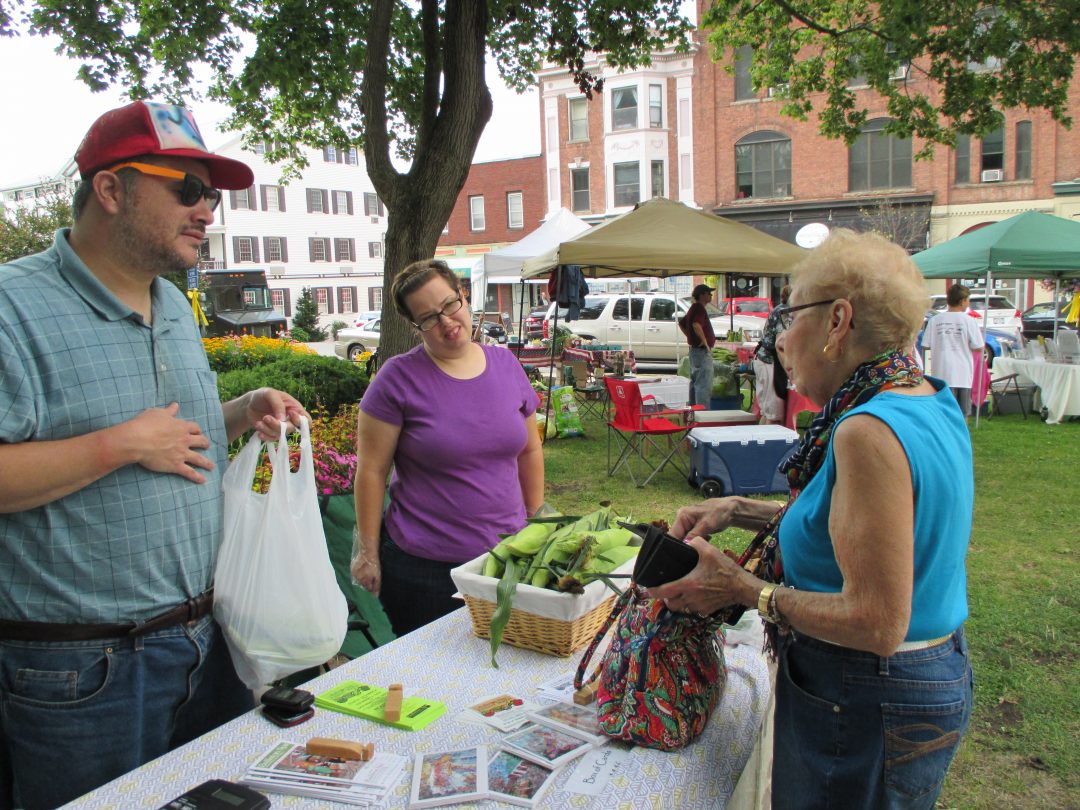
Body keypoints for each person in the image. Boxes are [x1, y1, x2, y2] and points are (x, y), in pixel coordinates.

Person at [0, 101, 308, 810]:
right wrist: (118, 446)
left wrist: (240, 411)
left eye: (213, 196)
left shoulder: (171, 303)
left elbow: (175, 437)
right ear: (112, 190)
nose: (208, 212)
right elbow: (135, 441)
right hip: (81, 672)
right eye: (188, 191)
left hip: (205, 646)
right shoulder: (12, 308)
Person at [650, 229, 974, 809]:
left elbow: (876, 622)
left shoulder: (865, 431)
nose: (780, 339)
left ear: (837, 322)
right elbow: (855, 523)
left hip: (865, 691)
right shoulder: (923, 396)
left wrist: (746, 590)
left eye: (788, 314)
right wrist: (738, 508)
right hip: (914, 679)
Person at [351, 259, 545, 636]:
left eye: (449, 305)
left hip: (506, 559)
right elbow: (371, 471)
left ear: (464, 295)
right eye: (428, 318)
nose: (446, 322)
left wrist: (537, 521)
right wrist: (368, 552)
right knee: (430, 683)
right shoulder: (397, 378)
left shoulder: (506, 364)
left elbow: (529, 451)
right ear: (414, 326)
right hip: (424, 571)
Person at [921, 283, 984, 417]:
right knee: (962, 413)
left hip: (941, 373)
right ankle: (961, 438)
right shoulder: (969, 321)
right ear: (962, 301)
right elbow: (978, 346)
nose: (968, 304)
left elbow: (926, 345)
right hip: (963, 374)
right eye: (968, 300)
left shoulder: (935, 320)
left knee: (943, 413)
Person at [753, 284, 791, 424]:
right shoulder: (784, 312)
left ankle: (759, 443)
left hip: (763, 359)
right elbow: (780, 345)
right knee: (774, 415)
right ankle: (769, 444)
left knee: (767, 412)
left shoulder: (780, 309)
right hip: (769, 361)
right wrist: (788, 369)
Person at [682, 283, 717, 407]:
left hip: (695, 350)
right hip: (701, 351)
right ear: (702, 295)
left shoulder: (693, 307)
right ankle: (702, 416)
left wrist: (690, 337)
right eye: (709, 293)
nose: (711, 295)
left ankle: (693, 413)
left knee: (695, 383)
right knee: (703, 385)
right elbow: (696, 324)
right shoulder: (699, 308)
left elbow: (681, 323)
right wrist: (705, 342)